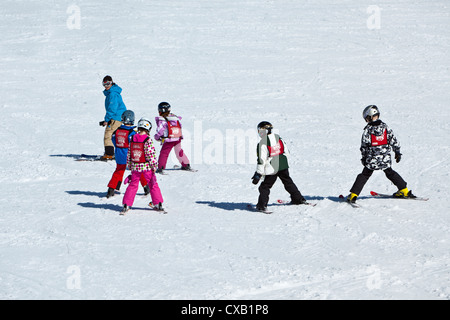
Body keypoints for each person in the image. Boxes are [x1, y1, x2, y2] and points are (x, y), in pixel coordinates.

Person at [346, 105, 415, 203]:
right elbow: (393, 140)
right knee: (390, 173)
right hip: (385, 159)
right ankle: (404, 191)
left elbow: (364, 146)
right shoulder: (385, 127)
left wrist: (364, 158)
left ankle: (353, 195)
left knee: (364, 175)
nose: (366, 121)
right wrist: (397, 152)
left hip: (372, 160)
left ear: (369, 117)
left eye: (366, 119)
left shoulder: (368, 130)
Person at [251, 121, 306, 212]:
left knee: (265, 187)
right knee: (288, 182)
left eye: (260, 131)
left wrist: (258, 174)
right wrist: (284, 163)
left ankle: (262, 206)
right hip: (283, 165)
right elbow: (286, 151)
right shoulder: (278, 138)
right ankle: (298, 199)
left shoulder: (262, 143)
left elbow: (261, 160)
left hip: (272, 168)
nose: (259, 133)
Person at [121, 118, 164, 214]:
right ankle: (158, 203)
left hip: (135, 166)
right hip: (147, 167)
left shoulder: (132, 138)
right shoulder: (147, 140)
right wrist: (154, 165)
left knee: (133, 185)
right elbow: (150, 154)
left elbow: (130, 153)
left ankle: (126, 204)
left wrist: (129, 164)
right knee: (153, 184)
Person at [106, 110, 149, 198]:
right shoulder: (132, 132)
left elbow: (113, 140)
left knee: (119, 171)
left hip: (119, 154)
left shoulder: (117, 131)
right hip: (130, 155)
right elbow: (135, 143)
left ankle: (111, 188)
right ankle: (146, 187)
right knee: (137, 171)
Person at [154, 102, 191, 173]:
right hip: (177, 138)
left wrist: (157, 137)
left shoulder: (162, 120)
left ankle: (161, 167)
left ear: (159, 111)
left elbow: (160, 131)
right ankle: (186, 164)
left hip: (168, 140)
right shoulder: (175, 118)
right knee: (179, 151)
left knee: (164, 153)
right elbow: (180, 126)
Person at [100, 75, 127, 161]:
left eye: (108, 84)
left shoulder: (112, 94)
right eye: (104, 84)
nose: (106, 86)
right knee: (114, 135)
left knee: (108, 135)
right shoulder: (113, 93)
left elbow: (112, 108)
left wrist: (107, 120)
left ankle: (109, 154)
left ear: (112, 83)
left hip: (115, 118)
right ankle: (115, 153)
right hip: (117, 117)